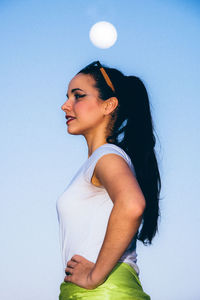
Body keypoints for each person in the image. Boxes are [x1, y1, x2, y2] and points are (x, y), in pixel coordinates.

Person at [56, 61, 161, 299]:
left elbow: (132, 205)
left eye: (78, 96)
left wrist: (94, 276)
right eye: (67, 97)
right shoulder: (101, 160)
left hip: (102, 291)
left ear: (109, 105)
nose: (65, 106)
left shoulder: (107, 156)